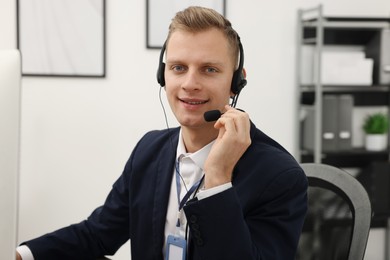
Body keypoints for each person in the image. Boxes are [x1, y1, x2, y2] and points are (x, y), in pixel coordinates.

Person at [16, 6, 308, 260]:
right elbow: (97, 234)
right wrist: (18, 254)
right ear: (162, 75)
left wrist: (218, 179)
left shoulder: (279, 176)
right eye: (178, 67)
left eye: (208, 69)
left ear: (236, 82)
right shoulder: (150, 150)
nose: (189, 83)